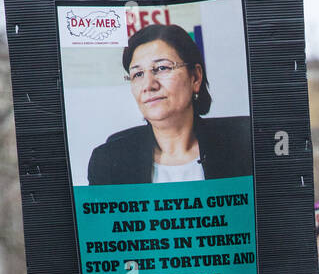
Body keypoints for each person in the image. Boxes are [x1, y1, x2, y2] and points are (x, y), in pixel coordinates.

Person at [87, 23, 252, 186]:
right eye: (137, 74)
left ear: (195, 77)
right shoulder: (108, 161)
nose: (148, 85)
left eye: (161, 68)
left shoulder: (243, 146)